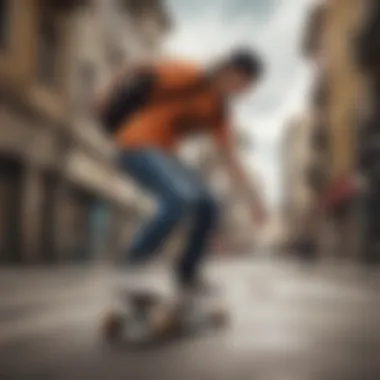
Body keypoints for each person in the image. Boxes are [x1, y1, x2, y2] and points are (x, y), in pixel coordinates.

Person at [96, 48, 268, 296]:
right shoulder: (190, 75)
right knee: (179, 198)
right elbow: (137, 65)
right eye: (241, 83)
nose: (241, 91)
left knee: (210, 203)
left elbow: (231, 160)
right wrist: (106, 91)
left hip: (165, 154)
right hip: (134, 145)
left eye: (246, 88)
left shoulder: (219, 111)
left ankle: (188, 274)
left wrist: (255, 201)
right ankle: (130, 266)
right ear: (227, 71)